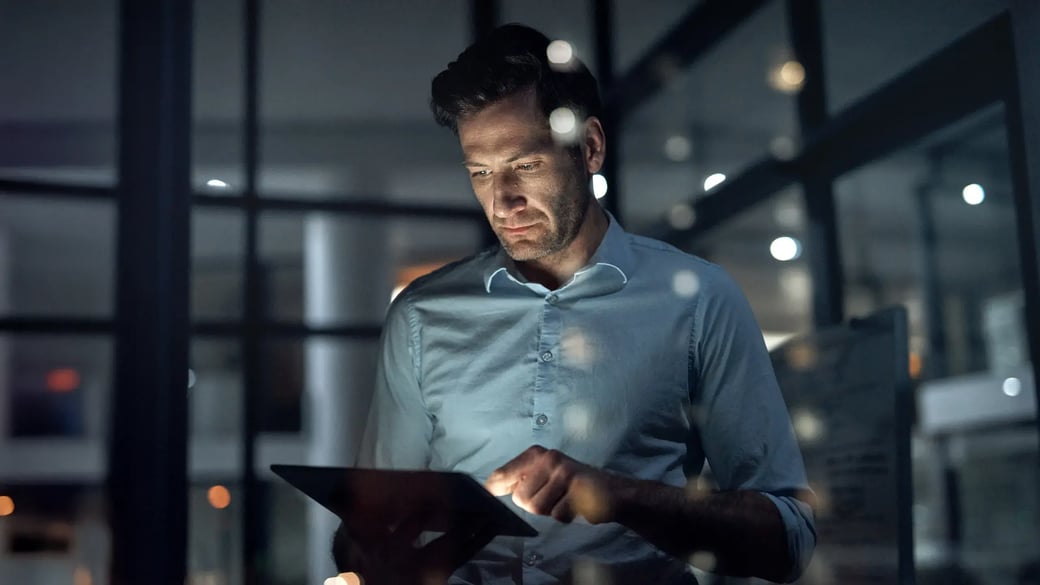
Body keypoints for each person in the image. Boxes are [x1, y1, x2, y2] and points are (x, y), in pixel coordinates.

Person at [334, 23, 816, 585]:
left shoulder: (701, 300)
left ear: (589, 148)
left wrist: (616, 495)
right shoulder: (420, 316)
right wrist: (362, 552)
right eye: (481, 173)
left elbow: (789, 540)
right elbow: (368, 528)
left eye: (526, 165)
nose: (502, 200)